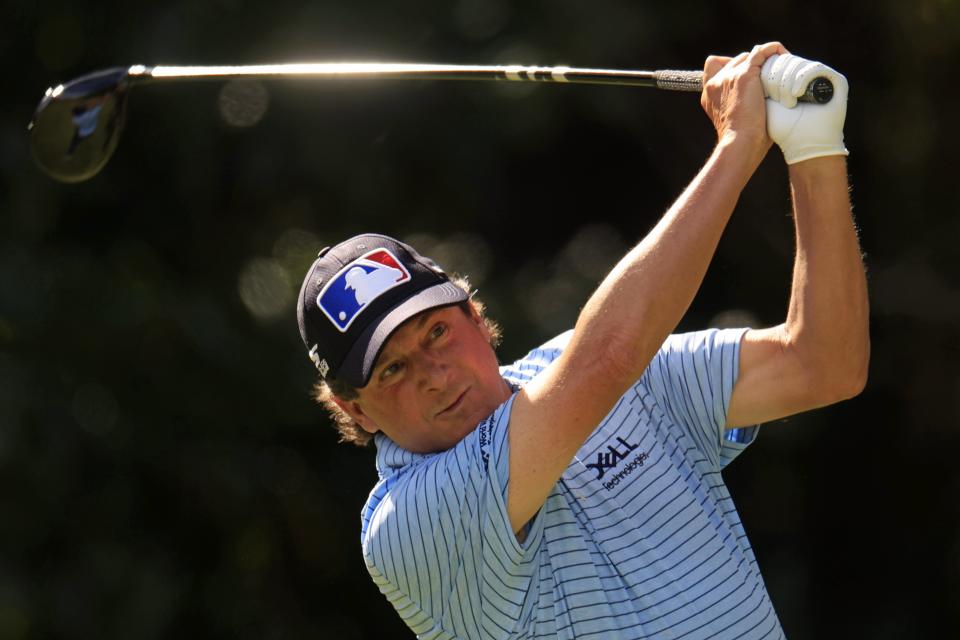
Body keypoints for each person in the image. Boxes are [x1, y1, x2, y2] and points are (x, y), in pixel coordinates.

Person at [295, 42, 869, 639]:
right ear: (353, 409)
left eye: (436, 332)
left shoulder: (595, 372)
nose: (434, 374)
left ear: (473, 313)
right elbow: (609, 357)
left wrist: (812, 146)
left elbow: (824, 364)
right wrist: (739, 144)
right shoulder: (406, 528)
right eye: (391, 370)